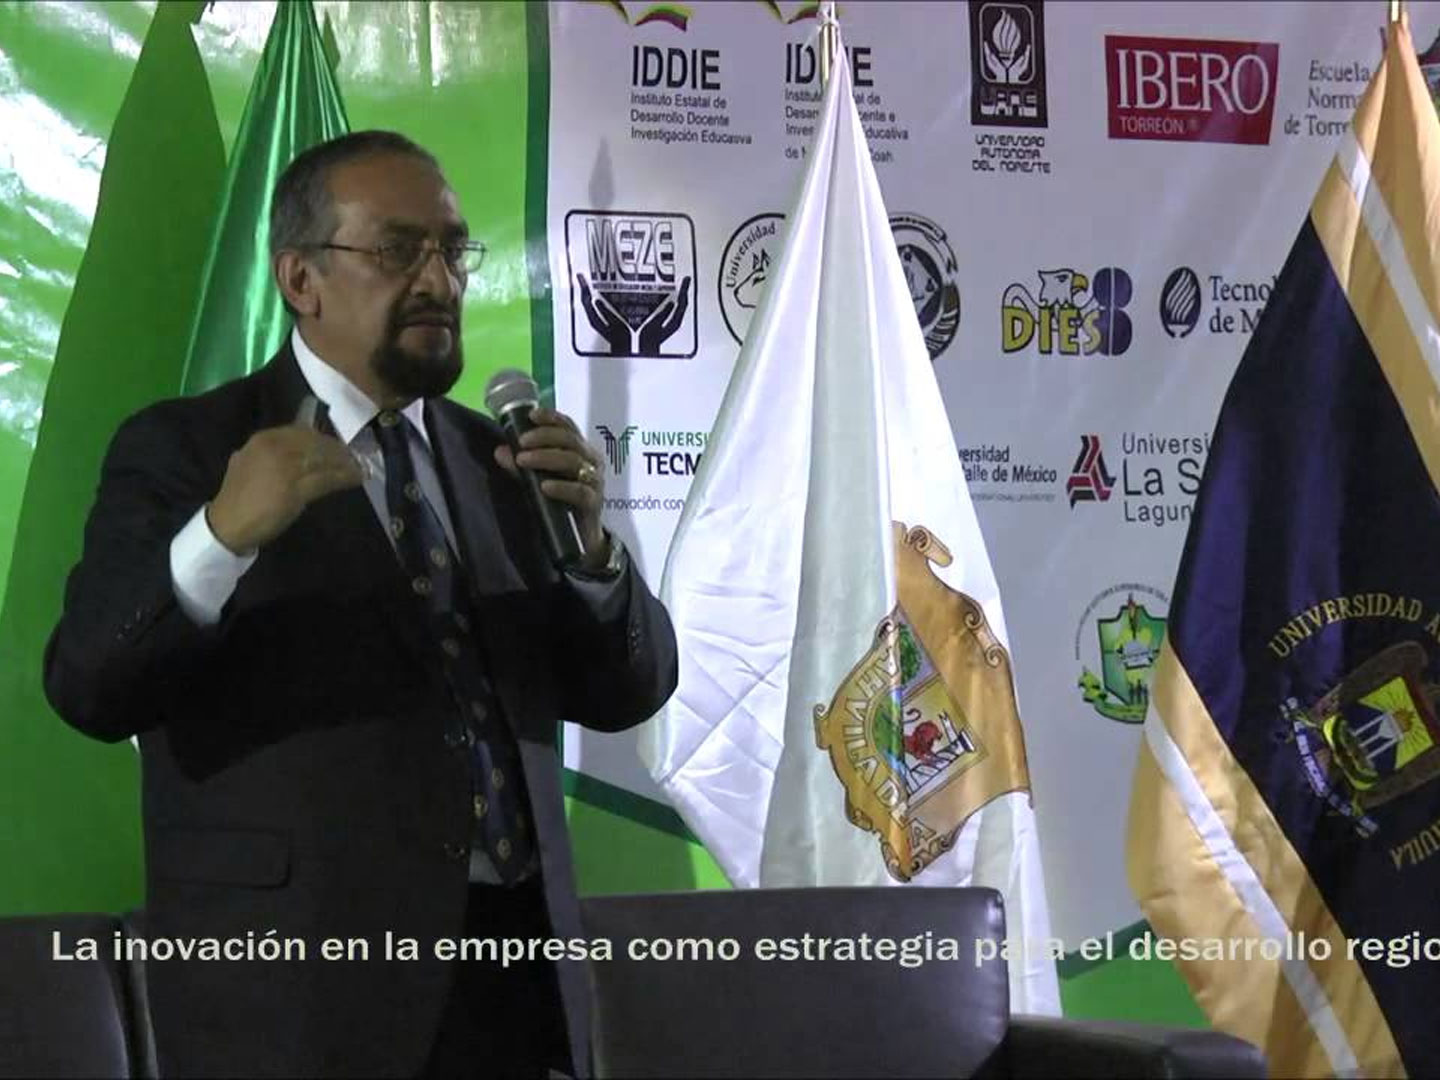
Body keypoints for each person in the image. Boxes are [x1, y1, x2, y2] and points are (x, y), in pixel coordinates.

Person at [43, 130, 678, 1079]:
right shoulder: (189, 448)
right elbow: (88, 684)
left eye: (452, 250)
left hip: (511, 983)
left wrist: (589, 554)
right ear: (300, 279)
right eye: (397, 250)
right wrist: (220, 536)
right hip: (299, 994)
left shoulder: (502, 460)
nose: (438, 280)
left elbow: (628, 692)